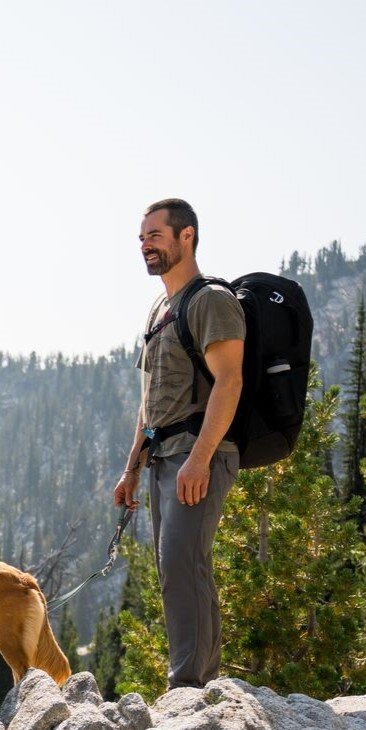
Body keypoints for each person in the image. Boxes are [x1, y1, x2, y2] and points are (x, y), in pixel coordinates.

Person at [113, 198, 245, 689]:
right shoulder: (160, 309)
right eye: (142, 238)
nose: (145, 245)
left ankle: (186, 690)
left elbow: (229, 382)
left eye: (155, 235)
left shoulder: (209, 300)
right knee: (184, 568)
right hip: (164, 458)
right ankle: (202, 684)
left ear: (186, 236)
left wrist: (200, 458)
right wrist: (132, 468)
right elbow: (151, 403)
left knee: (180, 565)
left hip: (199, 456)